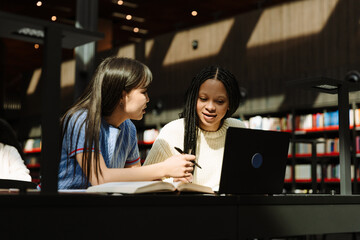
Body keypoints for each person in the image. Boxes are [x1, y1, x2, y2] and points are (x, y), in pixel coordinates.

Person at [58, 57, 194, 189]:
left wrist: (172, 178)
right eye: (144, 92)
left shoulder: (128, 127)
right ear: (122, 95)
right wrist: (164, 168)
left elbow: (135, 177)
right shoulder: (82, 120)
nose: (147, 99)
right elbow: (99, 178)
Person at [144, 66, 246, 191]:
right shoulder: (172, 132)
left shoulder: (237, 129)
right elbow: (144, 181)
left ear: (230, 104)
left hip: (229, 207)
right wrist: (173, 182)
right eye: (203, 99)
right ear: (194, 99)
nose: (210, 107)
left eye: (219, 101)